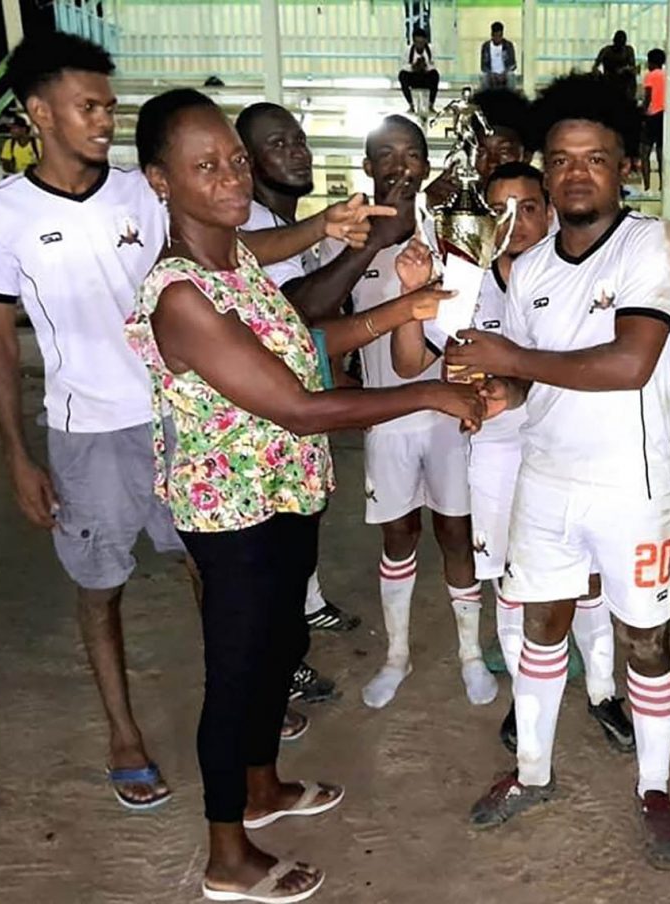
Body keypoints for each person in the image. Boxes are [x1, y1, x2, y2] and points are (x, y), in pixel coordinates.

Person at [0, 32, 382, 815]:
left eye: (109, 108)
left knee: (216, 578)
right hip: (88, 432)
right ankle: (124, 732)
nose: (102, 121)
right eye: (87, 108)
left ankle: (242, 714)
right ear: (38, 113)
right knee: (101, 586)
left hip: (181, 419)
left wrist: (321, 226)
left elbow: (235, 250)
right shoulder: (1, 213)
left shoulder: (139, 191)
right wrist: (17, 453)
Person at [126, 87, 481, 904]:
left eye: (236, 162)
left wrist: (403, 308)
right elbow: (297, 403)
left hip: (285, 492)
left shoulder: (239, 263)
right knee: (239, 673)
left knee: (278, 647)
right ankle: (227, 854)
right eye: (205, 166)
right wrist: (424, 394)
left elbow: (305, 342)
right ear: (160, 181)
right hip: (234, 514)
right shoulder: (181, 293)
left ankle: (263, 789)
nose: (231, 178)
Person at [450, 73, 670, 870]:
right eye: (562, 159)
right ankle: (533, 773)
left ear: (625, 167)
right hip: (546, 477)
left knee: (643, 642)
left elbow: (630, 361)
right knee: (542, 627)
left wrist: (509, 357)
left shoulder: (652, 243)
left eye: (596, 158)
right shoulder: (531, 270)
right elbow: (530, 378)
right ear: (545, 171)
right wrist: (490, 388)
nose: (578, 172)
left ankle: (653, 788)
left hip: (632, 486)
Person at [389, 160, 636, 755]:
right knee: (509, 576)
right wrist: (410, 297)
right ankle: (526, 692)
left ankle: (603, 689)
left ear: (549, 211)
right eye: (497, 211)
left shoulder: (579, 278)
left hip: (572, 446)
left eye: (527, 207)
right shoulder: (463, 282)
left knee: (587, 576)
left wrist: (520, 384)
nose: (514, 223)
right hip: (496, 453)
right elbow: (407, 363)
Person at [338, 115, 497, 711]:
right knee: (398, 536)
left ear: (428, 167)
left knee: (456, 533)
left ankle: (470, 655)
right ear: (369, 166)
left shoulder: (453, 234)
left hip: (450, 416)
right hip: (387, 419)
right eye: (386, 154)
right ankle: (397, 655)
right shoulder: (346, 239)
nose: (400, 165)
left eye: (412, 154)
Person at [234, 101, 363, 636]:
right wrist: (366, 247)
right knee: (275, 540)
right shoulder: (252, 223)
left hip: (301, 403)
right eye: (277, 144)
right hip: (266, 414)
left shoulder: (289, 223)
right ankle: (284, 665)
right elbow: (301, 310)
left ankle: (306, 607)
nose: (297, 152)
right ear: (247, 159)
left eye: (300, 140)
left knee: (304, 517)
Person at [425, 87, 532, 208]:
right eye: (481, 152)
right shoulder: (456, 206)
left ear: (526, 157)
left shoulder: (547, 208)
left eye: (503, 151)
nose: (492, 162)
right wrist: (426, 205)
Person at [639, 48, 667, 191]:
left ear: (651, 62)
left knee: (645, 153)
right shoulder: (667, 76)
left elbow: (648, 97)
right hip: (664, 116)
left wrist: (642, 113)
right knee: (662, 153)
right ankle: (663, 185)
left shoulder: (650, 76)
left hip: (652, 116)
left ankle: (647, 186)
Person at [399, 27, 439, 116]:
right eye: (417, 43)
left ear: (425, 41)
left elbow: (434, 65)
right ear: (414, 41)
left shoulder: (431, 50)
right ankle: (411, 105)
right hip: (413, 77)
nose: (419, 45)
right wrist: (413, 67)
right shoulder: (407, 50)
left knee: (435, 75)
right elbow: (403, 66)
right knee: (402, 75)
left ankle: (431, 105)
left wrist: (425, 66)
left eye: (422, 43)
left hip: (425, 77)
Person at [593, 31, 637, 102]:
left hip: (625, 85)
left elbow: (633, 68)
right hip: (609, 83)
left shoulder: (628, 51)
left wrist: (624, 69)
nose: (619, 46)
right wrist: (598, 75)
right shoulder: (606, 51)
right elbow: (595, 66)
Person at [480, 21, 517, 90]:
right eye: (495, 36)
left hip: (505, 73)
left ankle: (510, 97)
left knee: (511, 75)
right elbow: (483, 66)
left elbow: (513, 65)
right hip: (491, 73)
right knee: (484, 76)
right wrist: (492, 74)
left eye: (499, 36)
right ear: (492, 35)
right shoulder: (486, 46)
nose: (497, 39)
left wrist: (504, 73)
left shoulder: (508, 45)